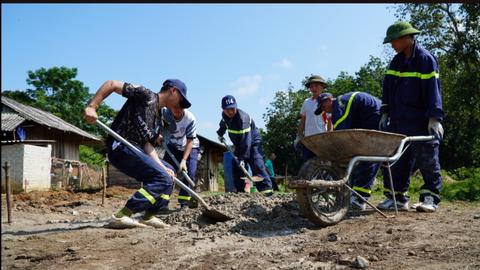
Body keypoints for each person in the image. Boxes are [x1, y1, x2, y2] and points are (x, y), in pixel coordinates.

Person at [84, 79, 191, 228]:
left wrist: (161, 166)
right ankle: (121, 216)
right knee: (163, 177)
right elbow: (112, 84)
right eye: (181, 99)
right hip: (121, 145)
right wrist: (92, 106)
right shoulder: (146, 95)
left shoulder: (157, 118)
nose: (179, 105)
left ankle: (148, 216)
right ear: (173, 91)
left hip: (138, 149)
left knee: (169, 173)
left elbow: (148, 145)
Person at [378, 21, 444, 212]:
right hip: (398, 119)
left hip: (421, 120)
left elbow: (433, 90)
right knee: (395, 159)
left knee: (427, 159)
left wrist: (435, 117)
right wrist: (385, 112)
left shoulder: (425, 59)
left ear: (406, 38)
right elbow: (388, 88)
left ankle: (430, 197)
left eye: (394, 41)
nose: (392, 45)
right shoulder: (396, 61)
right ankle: (397, 198)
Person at [314, 91, 382, 211]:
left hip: (374, 115)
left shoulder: (339, 104)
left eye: (323, 107)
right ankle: (357, 196)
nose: (325, 111)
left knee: (369, 157)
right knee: (359, 158)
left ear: (329, 100)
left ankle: (359, 199)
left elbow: (341, 130)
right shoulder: (343, 104)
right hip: (369, 117)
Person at [216, 95, 273, 196]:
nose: (230, 112)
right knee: (236, 164)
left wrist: (243, 158)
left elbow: (246, 141)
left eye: (232, 109)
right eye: (227, 110)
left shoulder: (243, 119)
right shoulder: (225, 117)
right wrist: (220, 133)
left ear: (236, 106)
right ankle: (240, 192)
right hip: (240, 143)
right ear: (223, 109)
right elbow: (223, 124)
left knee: (256, 162)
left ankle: (267, 191)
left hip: (253, 142)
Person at [161, 106, 201, 209]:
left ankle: (185, 203)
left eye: (180, 109)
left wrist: (183, 160)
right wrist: (158, 133)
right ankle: (162, 203)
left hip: (190, 146)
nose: (177, 112)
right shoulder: (165, 112)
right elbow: (156, 118)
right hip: (173, 145)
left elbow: (190, 141)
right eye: (175, 109)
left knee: (190, 173)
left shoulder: (190, 118)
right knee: (165, 172)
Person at [295, 75, 331, 161]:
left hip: (321, 137)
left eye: (316, 86)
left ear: (322, 87)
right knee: (308, 163)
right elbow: (303, 120)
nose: (314, 88)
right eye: (311, 86)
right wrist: (299, 136)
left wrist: (330, 136)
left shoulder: (326, 101)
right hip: (309, 139)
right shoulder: (306, 102)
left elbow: (330, 121)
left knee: (323, 162)